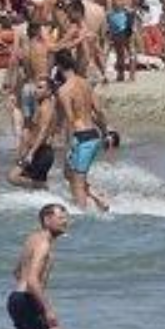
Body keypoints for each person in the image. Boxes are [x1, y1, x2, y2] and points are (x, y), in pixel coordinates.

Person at [0, 203, 71, 329]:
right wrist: (48, 309)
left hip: (15, 299)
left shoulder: (32, 239)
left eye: (66, 218)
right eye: (61, 218)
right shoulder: (44, 244)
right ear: (47, 220)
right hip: (28, 299)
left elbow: (17, 272)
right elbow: (32, 280)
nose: (65, 222)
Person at [55, 49, 111, 211]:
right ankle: (97, 198)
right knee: (68, 173)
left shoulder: (64, 90)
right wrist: (105, 133)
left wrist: (68, 143)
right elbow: (99, 110)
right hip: (93, 134)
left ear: (58, 66)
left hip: (81, 138)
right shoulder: (85, 83)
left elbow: (70, 119)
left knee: (77, 182)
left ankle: (83, 215)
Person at [9, 77, 57, 190]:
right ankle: (44, 189)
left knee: (13, 177)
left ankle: (44, 187)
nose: (36, 90)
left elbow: (43, 132)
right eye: (36, 87)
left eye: (40, 88)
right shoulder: (42, 106)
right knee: (31, 190)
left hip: (41, 152)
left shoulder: (46, 108)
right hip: (38, 151)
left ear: (49, 91)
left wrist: (31, 153)